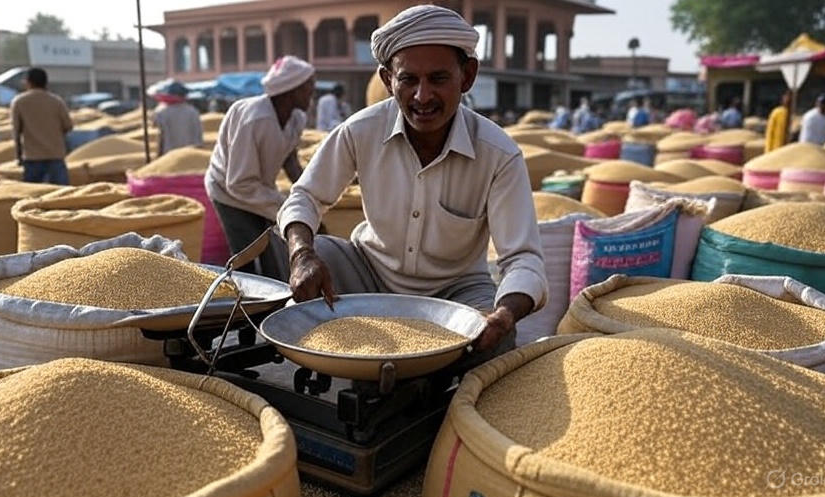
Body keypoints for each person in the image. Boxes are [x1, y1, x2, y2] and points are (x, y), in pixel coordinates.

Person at [278, 5, 547, 364]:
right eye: (408, 80)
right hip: (369, 274)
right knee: (316, 252)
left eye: (438, 79)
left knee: (497, 341)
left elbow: (523, 258)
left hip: (456, 291)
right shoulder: (360, 131)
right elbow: (305, 197)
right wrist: (302, 255)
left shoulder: (498, 154)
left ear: (467, 77)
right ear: (388, 80)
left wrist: (505, 314)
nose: (422, 97)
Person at [205, 55, 315, 280]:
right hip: (228, 192)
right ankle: (243, 304)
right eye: (307, 87)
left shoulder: (296, 118)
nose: (312, 92)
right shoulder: (254, 120)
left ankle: (273, 294)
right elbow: (239, 183)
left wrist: (308, 195)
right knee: (246, 254)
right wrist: (283, 205)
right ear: (290, 90)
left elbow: (290, 159)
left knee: (272, 253)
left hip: (258, 189)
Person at [10, 68, 73, 184]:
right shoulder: (57, 101)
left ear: (28, 82)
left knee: (34, 195)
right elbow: (68, 126)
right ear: (46, 83)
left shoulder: (19, 102)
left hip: (32, 158)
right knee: (62, 196)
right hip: (55, 156)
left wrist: (18, 156)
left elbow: (16, 132)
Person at [153, 81, 203, 155]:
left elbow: (158, 137)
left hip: (168, 155)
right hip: (190, 154)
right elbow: (198, 136)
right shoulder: (193, 112)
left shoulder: (161, 112)